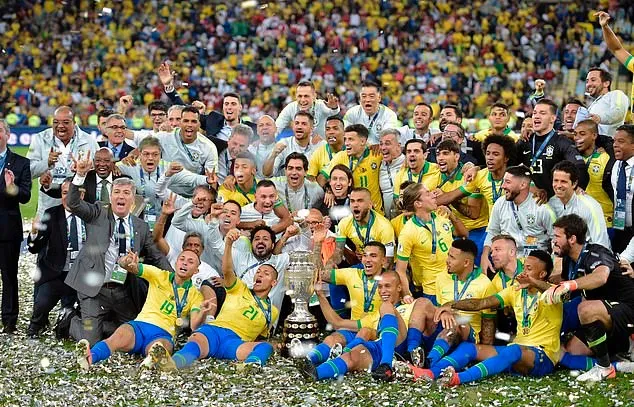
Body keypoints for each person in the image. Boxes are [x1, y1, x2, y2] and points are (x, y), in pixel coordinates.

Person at [65, 154, 171, 345]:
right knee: (92, 342)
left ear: (133, 199)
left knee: (132, 335)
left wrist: (174, 278)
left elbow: (156, 256)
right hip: (93, 288)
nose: (121, 196)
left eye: (126, 193)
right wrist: (80, 175)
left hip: (121, 289)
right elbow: (73, 204)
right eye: (117, 192)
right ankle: (71, 321)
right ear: (111, 196)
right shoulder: (98, 211)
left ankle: (103, 323)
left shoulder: (140, 226)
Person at [412, 250, 561, 386]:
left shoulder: (552, 293)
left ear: (542, 274)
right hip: (516, 354)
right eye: (524, 267)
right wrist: (452, 305)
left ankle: (458, 378)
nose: (523, 272)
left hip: (542, 357)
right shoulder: (514, 290)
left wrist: (533, 282)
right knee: (468, 348)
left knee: (513, 350)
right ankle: (430, 372)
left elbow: (557, 292)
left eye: (529, 269)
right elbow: (482, 303)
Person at [75, 250, 211, 371]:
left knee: (161, 347)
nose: (185, 263)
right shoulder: (159, 275)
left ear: (196, 271)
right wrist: (127, 262)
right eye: (182, 259)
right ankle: (90, 357)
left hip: (163, 333)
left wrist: (203, 312)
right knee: (117, 337)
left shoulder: (195, 295)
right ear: (176, 263)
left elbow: (194, 325)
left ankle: (152, 359)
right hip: (140, 326)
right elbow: (132, 267)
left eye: (190, 261)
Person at [167, 229, 278, 369]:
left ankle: (250, 367)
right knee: (194, 346)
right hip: (214, 331)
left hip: (235, 342)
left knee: (265, 347)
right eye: (258, 272)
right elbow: (226, 271)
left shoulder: (272, 311)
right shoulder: (240, 288)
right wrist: (228, 244)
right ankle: (172, 365)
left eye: (265, 273)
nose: (259, 275)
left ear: (273, 283)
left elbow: (261, 337)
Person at [546, 214, 634, 381]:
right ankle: (618, 359)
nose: (553, 240)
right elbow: (565, 290)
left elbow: (601, 277)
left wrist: (569, 285)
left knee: (585, 309)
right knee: (573, 350)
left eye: (557, 236)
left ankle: (606, 366)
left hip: (628, 309)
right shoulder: (569, 260)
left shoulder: (596, 252)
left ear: (572, 239)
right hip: (606, 312)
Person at [403, 239, 496, 376]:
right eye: (448, 255)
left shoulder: (485, 284)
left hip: (465, 335)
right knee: (422, 302)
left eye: (452, 257)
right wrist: (444, 313)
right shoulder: (442, 277)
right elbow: (440, 309)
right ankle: (411, 353)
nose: (447, 260)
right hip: (442, 331)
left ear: (466, 263)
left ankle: (430, 361)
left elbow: (488, 322)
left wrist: (482, 352)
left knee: (457, 320)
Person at [300, 270, 409, 382]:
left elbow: (424, 311)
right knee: (352, 356)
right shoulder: (374, 316)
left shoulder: (411, 304)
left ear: (399, 288)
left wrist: (414, 346)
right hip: (379, 346)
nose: (383, 291)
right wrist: (320, 295)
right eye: (380, 287)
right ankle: (316, 372)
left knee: (386, 306)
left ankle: (387, 363)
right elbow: (338, 323)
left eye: (387, 286)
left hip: (401, 345)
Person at [305, 240, 386, 367]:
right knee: (332, 339)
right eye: (365, 255)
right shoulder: (352, 274)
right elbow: (318, 275)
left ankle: (338, 358)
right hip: (353, 327)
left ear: (383, 260)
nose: (367, 259)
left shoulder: (389, 280)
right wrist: (318, 243)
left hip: (377, 331)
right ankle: (309, 360)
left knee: (363, 334)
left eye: (373, 256)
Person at [395, 183, 468, 303]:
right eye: (428, 193)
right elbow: (400, 270)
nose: (434, 195)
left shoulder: (442, 215)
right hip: (433, 289)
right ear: (418, 204)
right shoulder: (408, 232)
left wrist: (452, 215)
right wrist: (407, 294)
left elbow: (464, 235)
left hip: (456, 282)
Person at [26, 179, 80, 338]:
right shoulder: (51, 214)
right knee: (41, 305)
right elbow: (34, 248)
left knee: (73, 318)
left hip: (79, 276)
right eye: (64, 193)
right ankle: (36, 326)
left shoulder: (89, 216)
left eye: (72, 193)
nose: (68, 197)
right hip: (55, 273)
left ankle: (67, 325)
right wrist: (34, 233)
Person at [481, 165, 555, 271]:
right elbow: (493, 232)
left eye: (508, 182)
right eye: (503, 181)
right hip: (508, 262)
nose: (503, 186)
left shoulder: (542, 208)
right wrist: (484, 256)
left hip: (535, 263)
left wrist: (553, 264)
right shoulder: (500, 203)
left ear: (523, 185)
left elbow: (556, 238)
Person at [27, 106, 98, 217]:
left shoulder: (89, 141)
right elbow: (28, 171)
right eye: (56, 122)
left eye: (65, 122)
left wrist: (85, 170)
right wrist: (46, 163)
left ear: (74, 123)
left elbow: (98, 171)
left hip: (80, 205)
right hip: (49, 206)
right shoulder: (40, 139)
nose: (60, 126)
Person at [516, 99, 588, 200]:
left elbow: (580, 167)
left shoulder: (561, 142)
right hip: (527, 203)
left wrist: (575, 190)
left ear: (553, 118)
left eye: (542, 113)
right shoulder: (524, 141)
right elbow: (508, 165)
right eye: (535, 113)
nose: (536, 116)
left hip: (554, 203)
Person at [0, 119, 32, 333]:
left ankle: (9, 321)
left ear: (8, 135)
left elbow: (26, 197)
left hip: (7, 229)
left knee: (9, 276)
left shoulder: (21, 163)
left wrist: (12, 187)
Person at [433, 140, 487, 258]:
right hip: (451, 230)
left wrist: (447, 198)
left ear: (456, 156)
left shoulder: (469, 176)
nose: (440, 158)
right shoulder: (435, 175)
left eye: (445, 153)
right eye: (438, 154)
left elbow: (474, 213)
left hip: (476, 230)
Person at [320, 124, 384, 213]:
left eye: (351, 139)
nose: (346, 143)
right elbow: (322, 178)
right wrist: (329, 190)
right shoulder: (341, 157)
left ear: (363, 141)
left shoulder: (376, 155)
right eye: (345, 139)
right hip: (353, 213)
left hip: (376, 212)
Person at [548, 161, 610, 248]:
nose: (558, 185)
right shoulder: (551, 203)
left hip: (588, 256)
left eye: (563, 181)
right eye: (556, 181)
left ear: (574, 184)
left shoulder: (590, 206)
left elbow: (601, 243)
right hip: (560, 253)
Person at [116, 137, 168, 229]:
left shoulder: (168, 168)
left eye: (155, 154)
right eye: (146, 154)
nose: (150, 158)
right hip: (137, 220)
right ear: (139, 154)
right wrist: (114, 166)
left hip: (162, 220)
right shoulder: (130, 165)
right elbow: (110, 166)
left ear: (160, 155)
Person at [573, 120, 614, 233]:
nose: (577, 138)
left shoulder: (605, 158)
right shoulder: (573, 158)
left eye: (582, 134)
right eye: (575, 134)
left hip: (604, 222)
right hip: (579, 223)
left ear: (594, 135)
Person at [335, 188, 395, 264]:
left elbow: (388, 262)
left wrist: (370, 275)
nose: (355, 205)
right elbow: (338, 252)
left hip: (382, 266)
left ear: (370, 205)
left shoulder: (384, 226)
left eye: (360, 201)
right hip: (363, 264)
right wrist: (330, 264)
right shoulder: (344, 223)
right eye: (352, 201)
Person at [263, 111, 324, 177]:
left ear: (311, 129)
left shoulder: (320, 145)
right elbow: (267, 174)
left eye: (304, 124)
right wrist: (273, 155)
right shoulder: (283, 144)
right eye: (297, 123)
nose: (299, 127)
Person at [275, 81, 340, 137]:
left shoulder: (320, 105)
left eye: (306, 96)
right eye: (300, 96)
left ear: (314, 96)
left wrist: (334, 107)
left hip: (321, 148)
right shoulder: (291, 107)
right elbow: (277, 128)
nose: (303, 100)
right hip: (301, 148)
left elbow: (333, 112)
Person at [343, 80, 398, 145]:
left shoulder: (389, 115)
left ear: (379, 98)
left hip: (379, 152)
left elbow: (388, 139)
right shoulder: (352, 113)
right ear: (360, 99)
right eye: (364, 96)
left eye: (371, 96)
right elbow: (344, 134)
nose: (367, 100)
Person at [585, 68, 629, 138]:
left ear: (606, 83)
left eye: (593, 80)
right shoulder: (593, 105)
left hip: (610, 145)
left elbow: (618, 112)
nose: (588, 84)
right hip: (595, 145)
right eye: (587, 81)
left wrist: (599, 118)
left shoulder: (617, 94)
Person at [610, 124, 634, 252]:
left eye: (621, 141)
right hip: (619, 230)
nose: (615, 145)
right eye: (614, 141)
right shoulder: (616, 165)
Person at [307, 116, 345, 181]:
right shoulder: (318, 153)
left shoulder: (351, 150)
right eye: (328, 129)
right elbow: (310, 179)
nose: (331, 132)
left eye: (335, 128)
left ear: (344, 132)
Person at [378, 129, 405, 218]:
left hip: (406, 218)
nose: (383, 147)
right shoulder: (379, 165)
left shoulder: (408, 163)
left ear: (398, 146)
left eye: (387, 143)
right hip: (387, 220)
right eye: (381, 144)